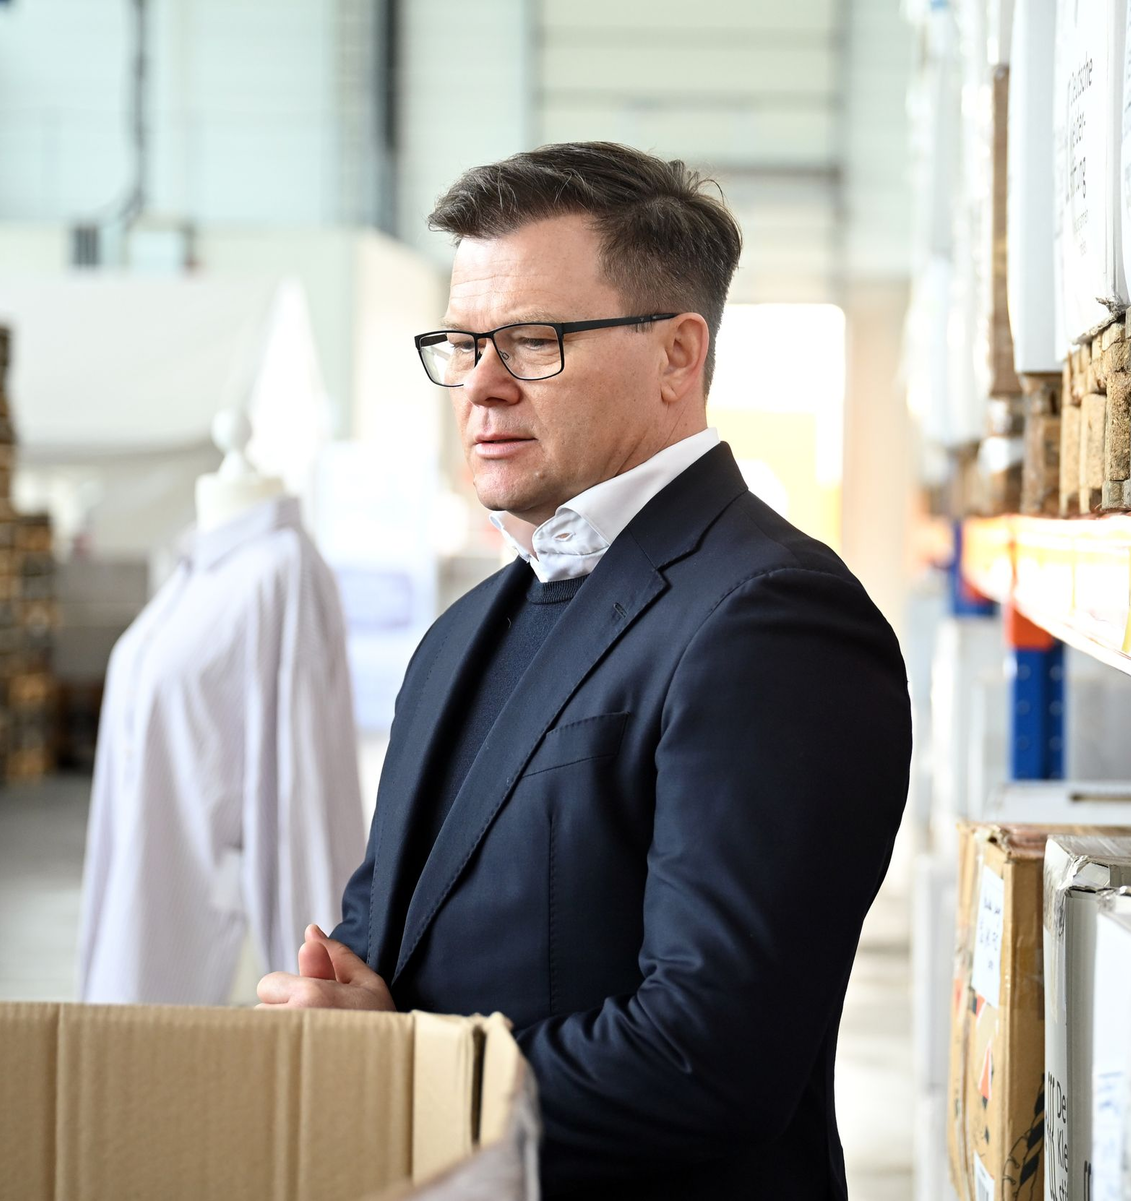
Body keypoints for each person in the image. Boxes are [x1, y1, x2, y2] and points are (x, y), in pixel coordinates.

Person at [257, 141, 912, 1199]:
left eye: (533, 340)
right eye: (463, 343)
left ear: (676, 355)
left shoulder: (770, 621)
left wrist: (410, 1073)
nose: (481, 386)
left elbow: (711, 1056)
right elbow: (380, 950)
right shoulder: (462, 634)